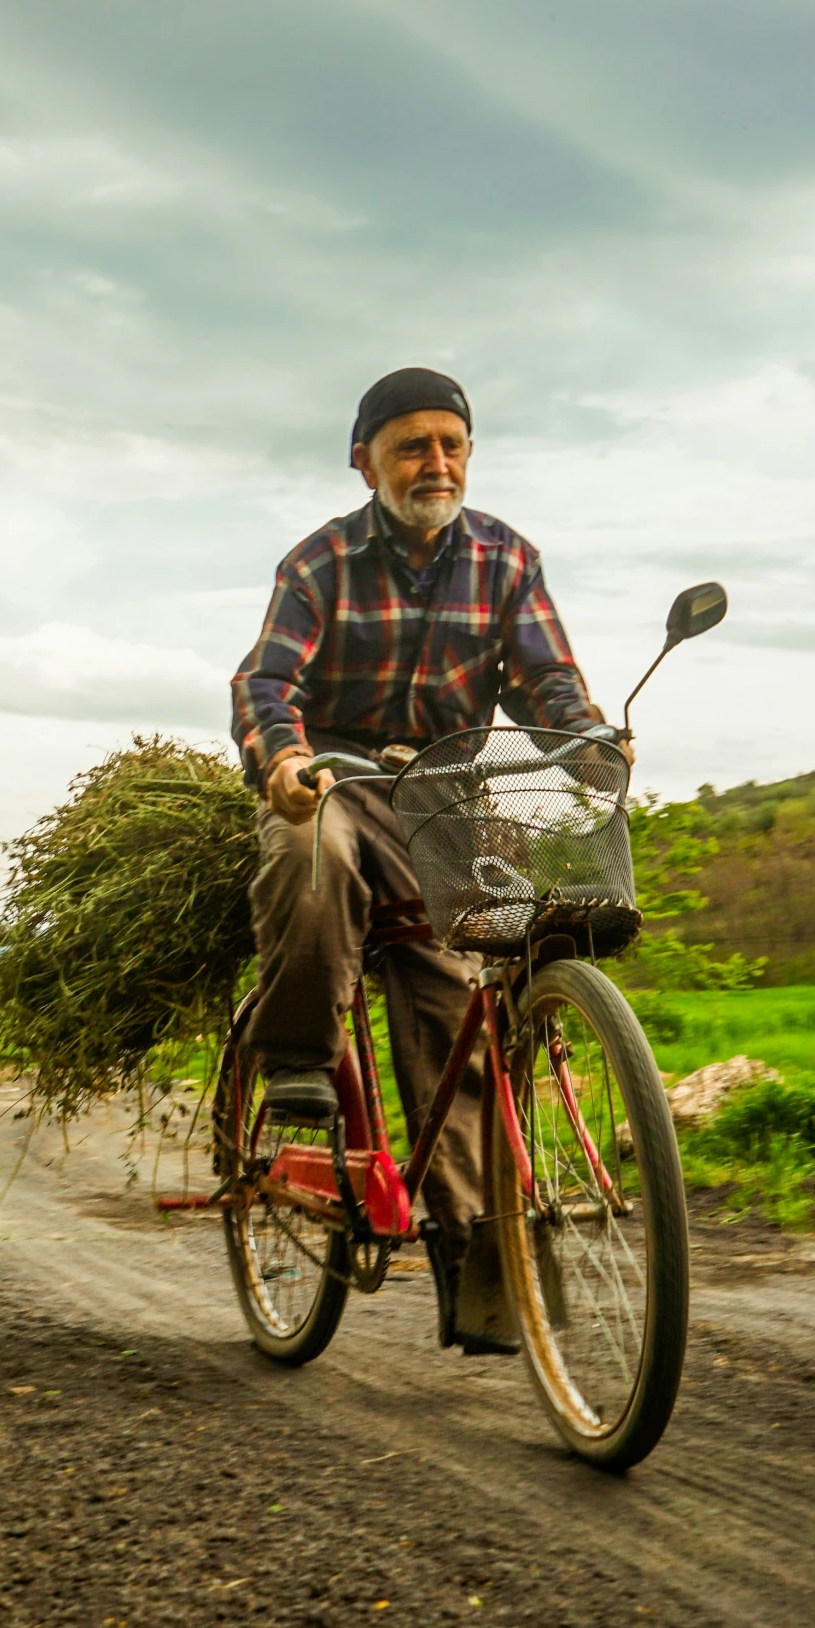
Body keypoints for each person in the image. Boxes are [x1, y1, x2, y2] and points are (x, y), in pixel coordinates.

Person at [229, 367, 614, 1352]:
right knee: (308, 858)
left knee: (462, 1041)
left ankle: (479, 1263)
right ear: (364, 460)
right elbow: (266, 679)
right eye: (411, 445)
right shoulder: (318, 563)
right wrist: (284, 759)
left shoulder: (506, 559)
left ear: (470, 454)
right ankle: (298, 1064)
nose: (434, 462)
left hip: (446, 802)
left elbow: (549, 685)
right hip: (338, 783)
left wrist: (588, 741)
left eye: (451, 443)